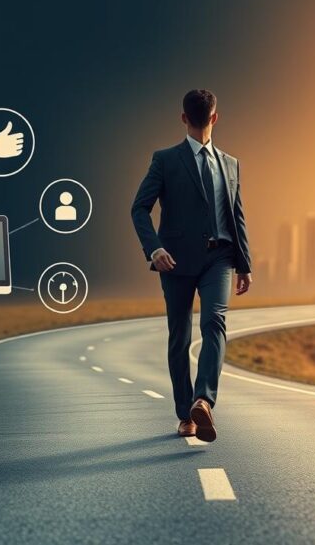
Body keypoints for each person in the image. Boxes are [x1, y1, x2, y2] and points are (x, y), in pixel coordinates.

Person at [131, 89, 253, 442]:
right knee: (180, 336)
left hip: (220, 258)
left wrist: (243, 263)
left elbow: (236, 216)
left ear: (184, 117)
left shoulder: (231, 164)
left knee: (215, 322)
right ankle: (186, 414)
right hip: (175, 262)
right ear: (215, 117)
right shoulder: (165, 160)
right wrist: (153, 249)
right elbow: (140, 207)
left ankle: (203, 401)